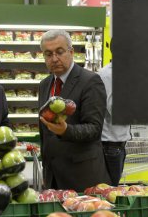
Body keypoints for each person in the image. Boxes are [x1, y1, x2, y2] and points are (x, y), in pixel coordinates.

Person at [38, 30, 111, 192]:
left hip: (82, 176)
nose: (54, 58)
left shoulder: (90, 81)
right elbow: (45, 131)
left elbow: (94, 129)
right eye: (48, 54)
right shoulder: (44, 85)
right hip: (53, 178)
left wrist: (66, 131)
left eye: (59, 52)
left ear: (71, 52)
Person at [98, 40, 132, 186]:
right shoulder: (110, 75)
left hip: (116, 143)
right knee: (110, 189)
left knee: (111, 188)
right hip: (110, 144)